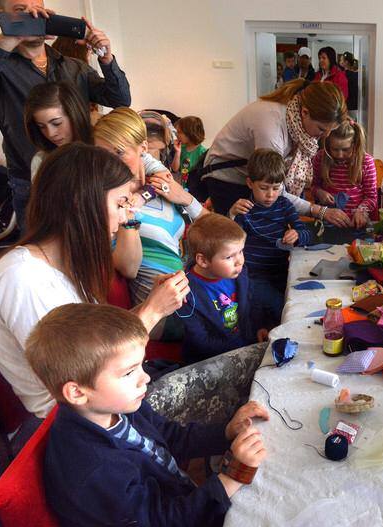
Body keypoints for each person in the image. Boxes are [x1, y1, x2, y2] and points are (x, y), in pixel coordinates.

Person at [0, 143, 189, 418]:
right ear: (80, 204)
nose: (126, 216)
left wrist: (151, 303)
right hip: (74, 421)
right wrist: (152, 312)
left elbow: (97, 342)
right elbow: (85, 371)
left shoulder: (67, 263)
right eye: (120, 204)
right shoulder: (23, 279)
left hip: (102, 403)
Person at [29, 303, 269, 527]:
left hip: (182, 498)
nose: (145, 378)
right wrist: (232, 477)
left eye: (141, 365)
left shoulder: (118, 407)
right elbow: (163, 525)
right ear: (77, 392)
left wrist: (226, 432)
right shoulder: (94, 472)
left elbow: (172, 436)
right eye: (129, 372)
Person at [0, 0, 131, 229]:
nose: (33, 16)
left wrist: (106, 58)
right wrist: (12, 36)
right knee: (40, 248)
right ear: (0, 14)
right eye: (21, 11)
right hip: (31, 183)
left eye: (38, 10)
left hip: (82, 178)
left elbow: (120, 100)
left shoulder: (73, 67)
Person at [94, 108, 208, 320]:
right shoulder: (110, 200)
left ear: (143, 149)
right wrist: (129, 210)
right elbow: (128, 268)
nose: (110, 163)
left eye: (119, 152)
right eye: (102, 155)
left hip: (188, 288)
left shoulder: (158, 180)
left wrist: (185, 198)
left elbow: (212, 225)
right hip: (158, 305)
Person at [203, 78, 350, 227]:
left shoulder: (293, 115)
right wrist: (319, 211)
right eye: (322, 129)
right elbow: (275, 188)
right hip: (227, 179)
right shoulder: (272, 129)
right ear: (305, 112)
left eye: (330, 130)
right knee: (239, 234)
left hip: (252, 177)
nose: (325, 136)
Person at [229, 149, 311, 328]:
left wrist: (297, 235)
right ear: (250, 183)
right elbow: (227, 242)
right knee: (278, 309)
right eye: (264, 188)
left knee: (291, 305)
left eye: (276, 188)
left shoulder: (284, 205)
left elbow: (306, 233)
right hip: (253, 276)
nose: (270, 195)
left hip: (281, 273)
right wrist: (232, 216)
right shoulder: (243, 209)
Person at [179, 214, 263, 364]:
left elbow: (251, 301)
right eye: (229, 257)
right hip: (211, 361)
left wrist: (259, 327)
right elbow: (200, 342)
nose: (240, 261)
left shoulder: (238, 273)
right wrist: (243, 346)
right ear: (203, 260)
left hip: (246, 344)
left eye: (241, 251)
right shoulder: (185, 294)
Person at [312, 120, 377, 228]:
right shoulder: (320, 157)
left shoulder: (366, 161)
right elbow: (314, 186)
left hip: (355, 224)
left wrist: (362, 210)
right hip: (327, 222)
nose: (340, 155)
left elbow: (371, 197)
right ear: (328, 145)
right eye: (335, 149)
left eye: (345, 149)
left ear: (355, 144)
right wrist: (319, 193)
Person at [23, 81, 93, 179]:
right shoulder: (41, 161)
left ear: (74, 116)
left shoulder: (101, 148)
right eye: (41, 126)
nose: (50, 134)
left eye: (56, 123)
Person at [171, 115, 207, 189]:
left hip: (194, 189)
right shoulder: (181, 148)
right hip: (181, 187)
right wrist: (178, 152)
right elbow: (175, 169)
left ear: (190, 133)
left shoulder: (203, 153)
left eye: (179, 132)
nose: (177, 135)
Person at [340, 52, 359, 117]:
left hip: (348, 105)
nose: (340, 62)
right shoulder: (357, 74)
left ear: (346, 62)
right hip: (356, 105)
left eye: (341, 60)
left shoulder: (344, 74)